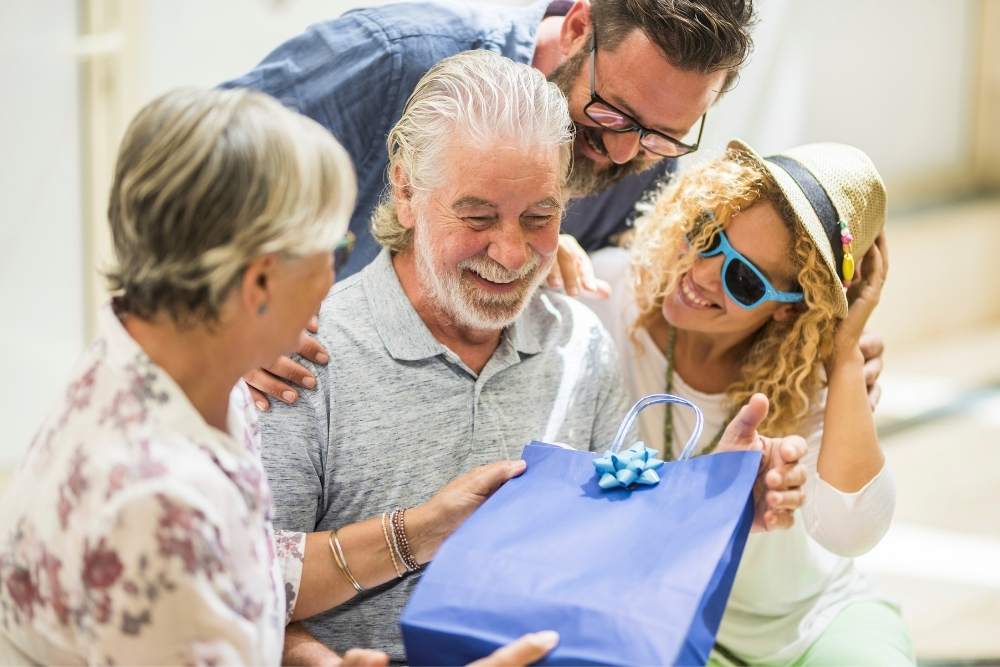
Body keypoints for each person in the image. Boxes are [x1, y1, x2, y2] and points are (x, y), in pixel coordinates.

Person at [259, 49, 810, 662]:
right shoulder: (298, 357)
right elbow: (231, 584)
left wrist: (714, 505)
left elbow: (620, 559)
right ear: (406, 190)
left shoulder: (579, 344)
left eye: (540, 216)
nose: (513, 253)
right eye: (477, 215)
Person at [0, 87, 559, 667]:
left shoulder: (166, 375)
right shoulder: (156, 503)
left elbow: (250, 565)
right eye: (335, 251)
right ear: (258, 284)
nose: (337, 282)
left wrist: (420, 531)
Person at [223, 0, 887, 418]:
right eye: (612, 112)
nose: (624, 150)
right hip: (260, 410)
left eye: (663, 135)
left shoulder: (640, 153)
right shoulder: (397, 56)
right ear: (577, 26)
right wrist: (234, 318)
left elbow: (663, 316)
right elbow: (187, 166)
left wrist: (814, 351)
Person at [582, 139, 915, 665]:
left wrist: (846, 352)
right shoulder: (604, 296)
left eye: (744, 278)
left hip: (814, 628)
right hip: (664, 618)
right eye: (709, 235)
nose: (705, 272)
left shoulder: (810, 380)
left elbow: (853, 531)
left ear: (788, 308)